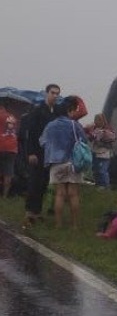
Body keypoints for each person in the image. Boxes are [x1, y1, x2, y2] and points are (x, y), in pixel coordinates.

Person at [38, 96, 88, 229]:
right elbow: (84, 140)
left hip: (56, 162)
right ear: (69, 111)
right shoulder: (74, 124)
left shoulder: (50, 125)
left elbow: (42, 141)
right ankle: (75, 225)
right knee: (73, 194)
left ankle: (58, 224)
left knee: (60, 193)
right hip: (73, 162)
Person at [24, 84, 61, 226]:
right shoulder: (38, 110)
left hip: (50, 153)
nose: (55, 96)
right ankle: (29, 212)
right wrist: (31, 152)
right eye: (53, 93)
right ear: (47, 93)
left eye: (57, 93)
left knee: (44, 183)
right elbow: (31, 133)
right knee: (34, 182)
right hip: (37, 151)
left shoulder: (56, 112)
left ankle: (37, 211)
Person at [84, 113, 116, 189]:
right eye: (95, 119)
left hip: (104, 153)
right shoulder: (94, 129)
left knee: (103, 170)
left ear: (102, 120)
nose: (96, 121)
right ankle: (98, 183)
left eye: (98, 119)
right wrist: (88, 131)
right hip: (95, 152)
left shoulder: (107, 129)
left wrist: (91, 133)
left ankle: (105, 185)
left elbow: (106, 138)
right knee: (95, 170)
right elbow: (91, 138)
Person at [0, 105, 19, 198]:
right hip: (12, 148)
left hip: (1, 145)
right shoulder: (12, 117)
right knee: (8, 172)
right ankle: (5, 195)